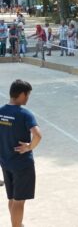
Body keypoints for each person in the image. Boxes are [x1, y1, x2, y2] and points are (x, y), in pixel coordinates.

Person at [0, 80, 42, 227]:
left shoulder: (0, 111)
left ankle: (17, 224)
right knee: (19, 201)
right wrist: (29, 147)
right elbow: (38, 135)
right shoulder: (24, 113)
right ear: (22, 94)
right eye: (28, 94)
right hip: (22, 165)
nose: (28, 98)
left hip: (5, 162)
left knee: (11, 198)